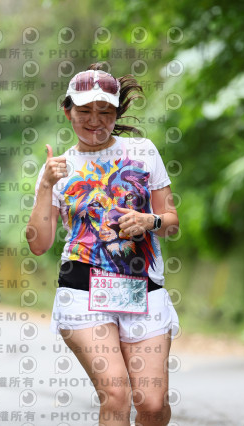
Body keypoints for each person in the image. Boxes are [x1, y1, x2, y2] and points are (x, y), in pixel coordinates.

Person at [27, 63, 180, 426]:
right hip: (82, 290)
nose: (95, 120)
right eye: (84, 111)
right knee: (116, 394)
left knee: (152, 404)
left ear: (116, 113)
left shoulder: (143, 152)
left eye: (105, 112)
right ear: (68, 111)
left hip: (142, 288)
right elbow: (38, 244)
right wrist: (46, 185)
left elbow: (171, 222)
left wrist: (150, 221)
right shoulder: (59, 169)